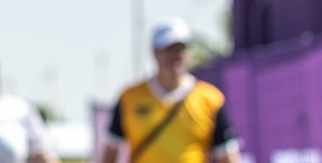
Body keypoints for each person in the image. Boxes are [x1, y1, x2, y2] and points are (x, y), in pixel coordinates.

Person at [98, 19, 241, 163]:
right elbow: (111, 151)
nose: (176, 55)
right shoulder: (130, 98)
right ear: (155, 53)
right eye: (168, 49)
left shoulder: (210, 99)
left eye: (181, 48)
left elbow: (227, 156)